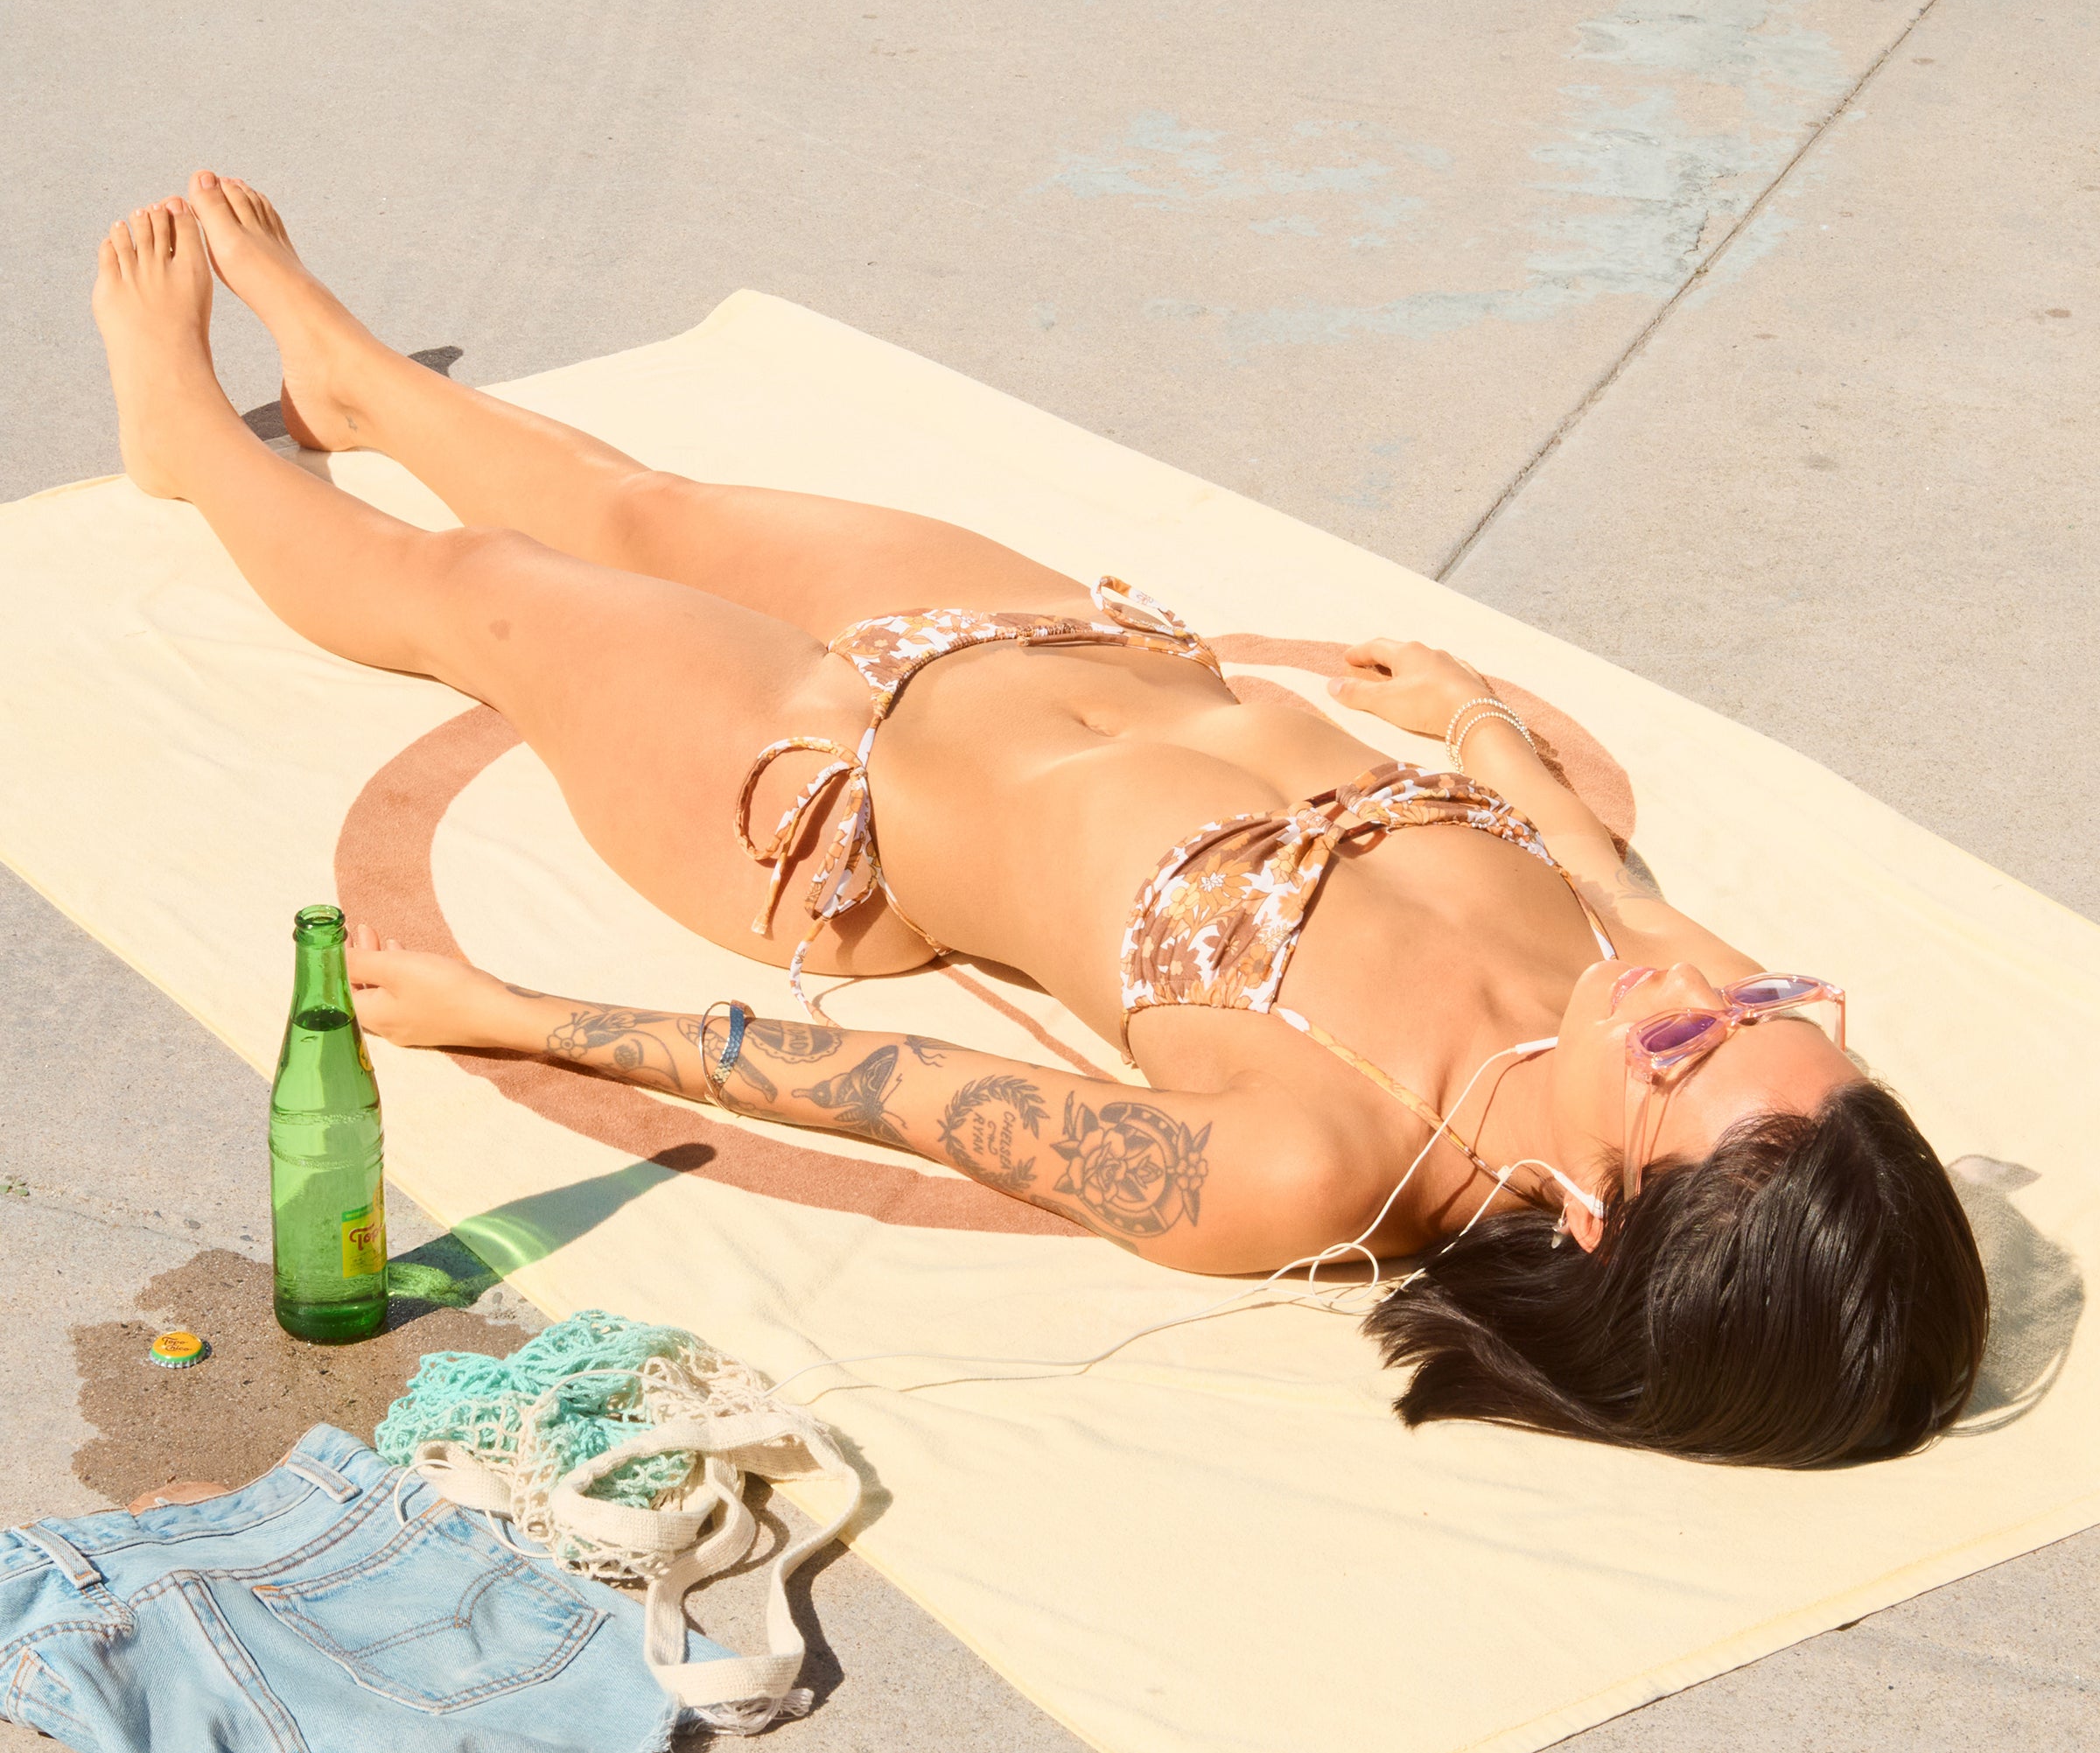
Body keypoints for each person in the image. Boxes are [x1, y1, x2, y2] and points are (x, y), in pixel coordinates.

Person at [90, 182, 1989, 1469]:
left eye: (1690, 1039)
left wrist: (520, 1015)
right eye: (1769, 999)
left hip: (824, 809)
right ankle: (361, 381)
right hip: (1051, 644)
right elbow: (1631, 890)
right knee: (649, 504)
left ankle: (192, 450)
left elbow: (896, 1089)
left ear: (1593, 1207)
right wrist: (1485, 730)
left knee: (484, 586)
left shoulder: (1310, 1164)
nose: (1701, 986)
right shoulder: (1717, 1044)